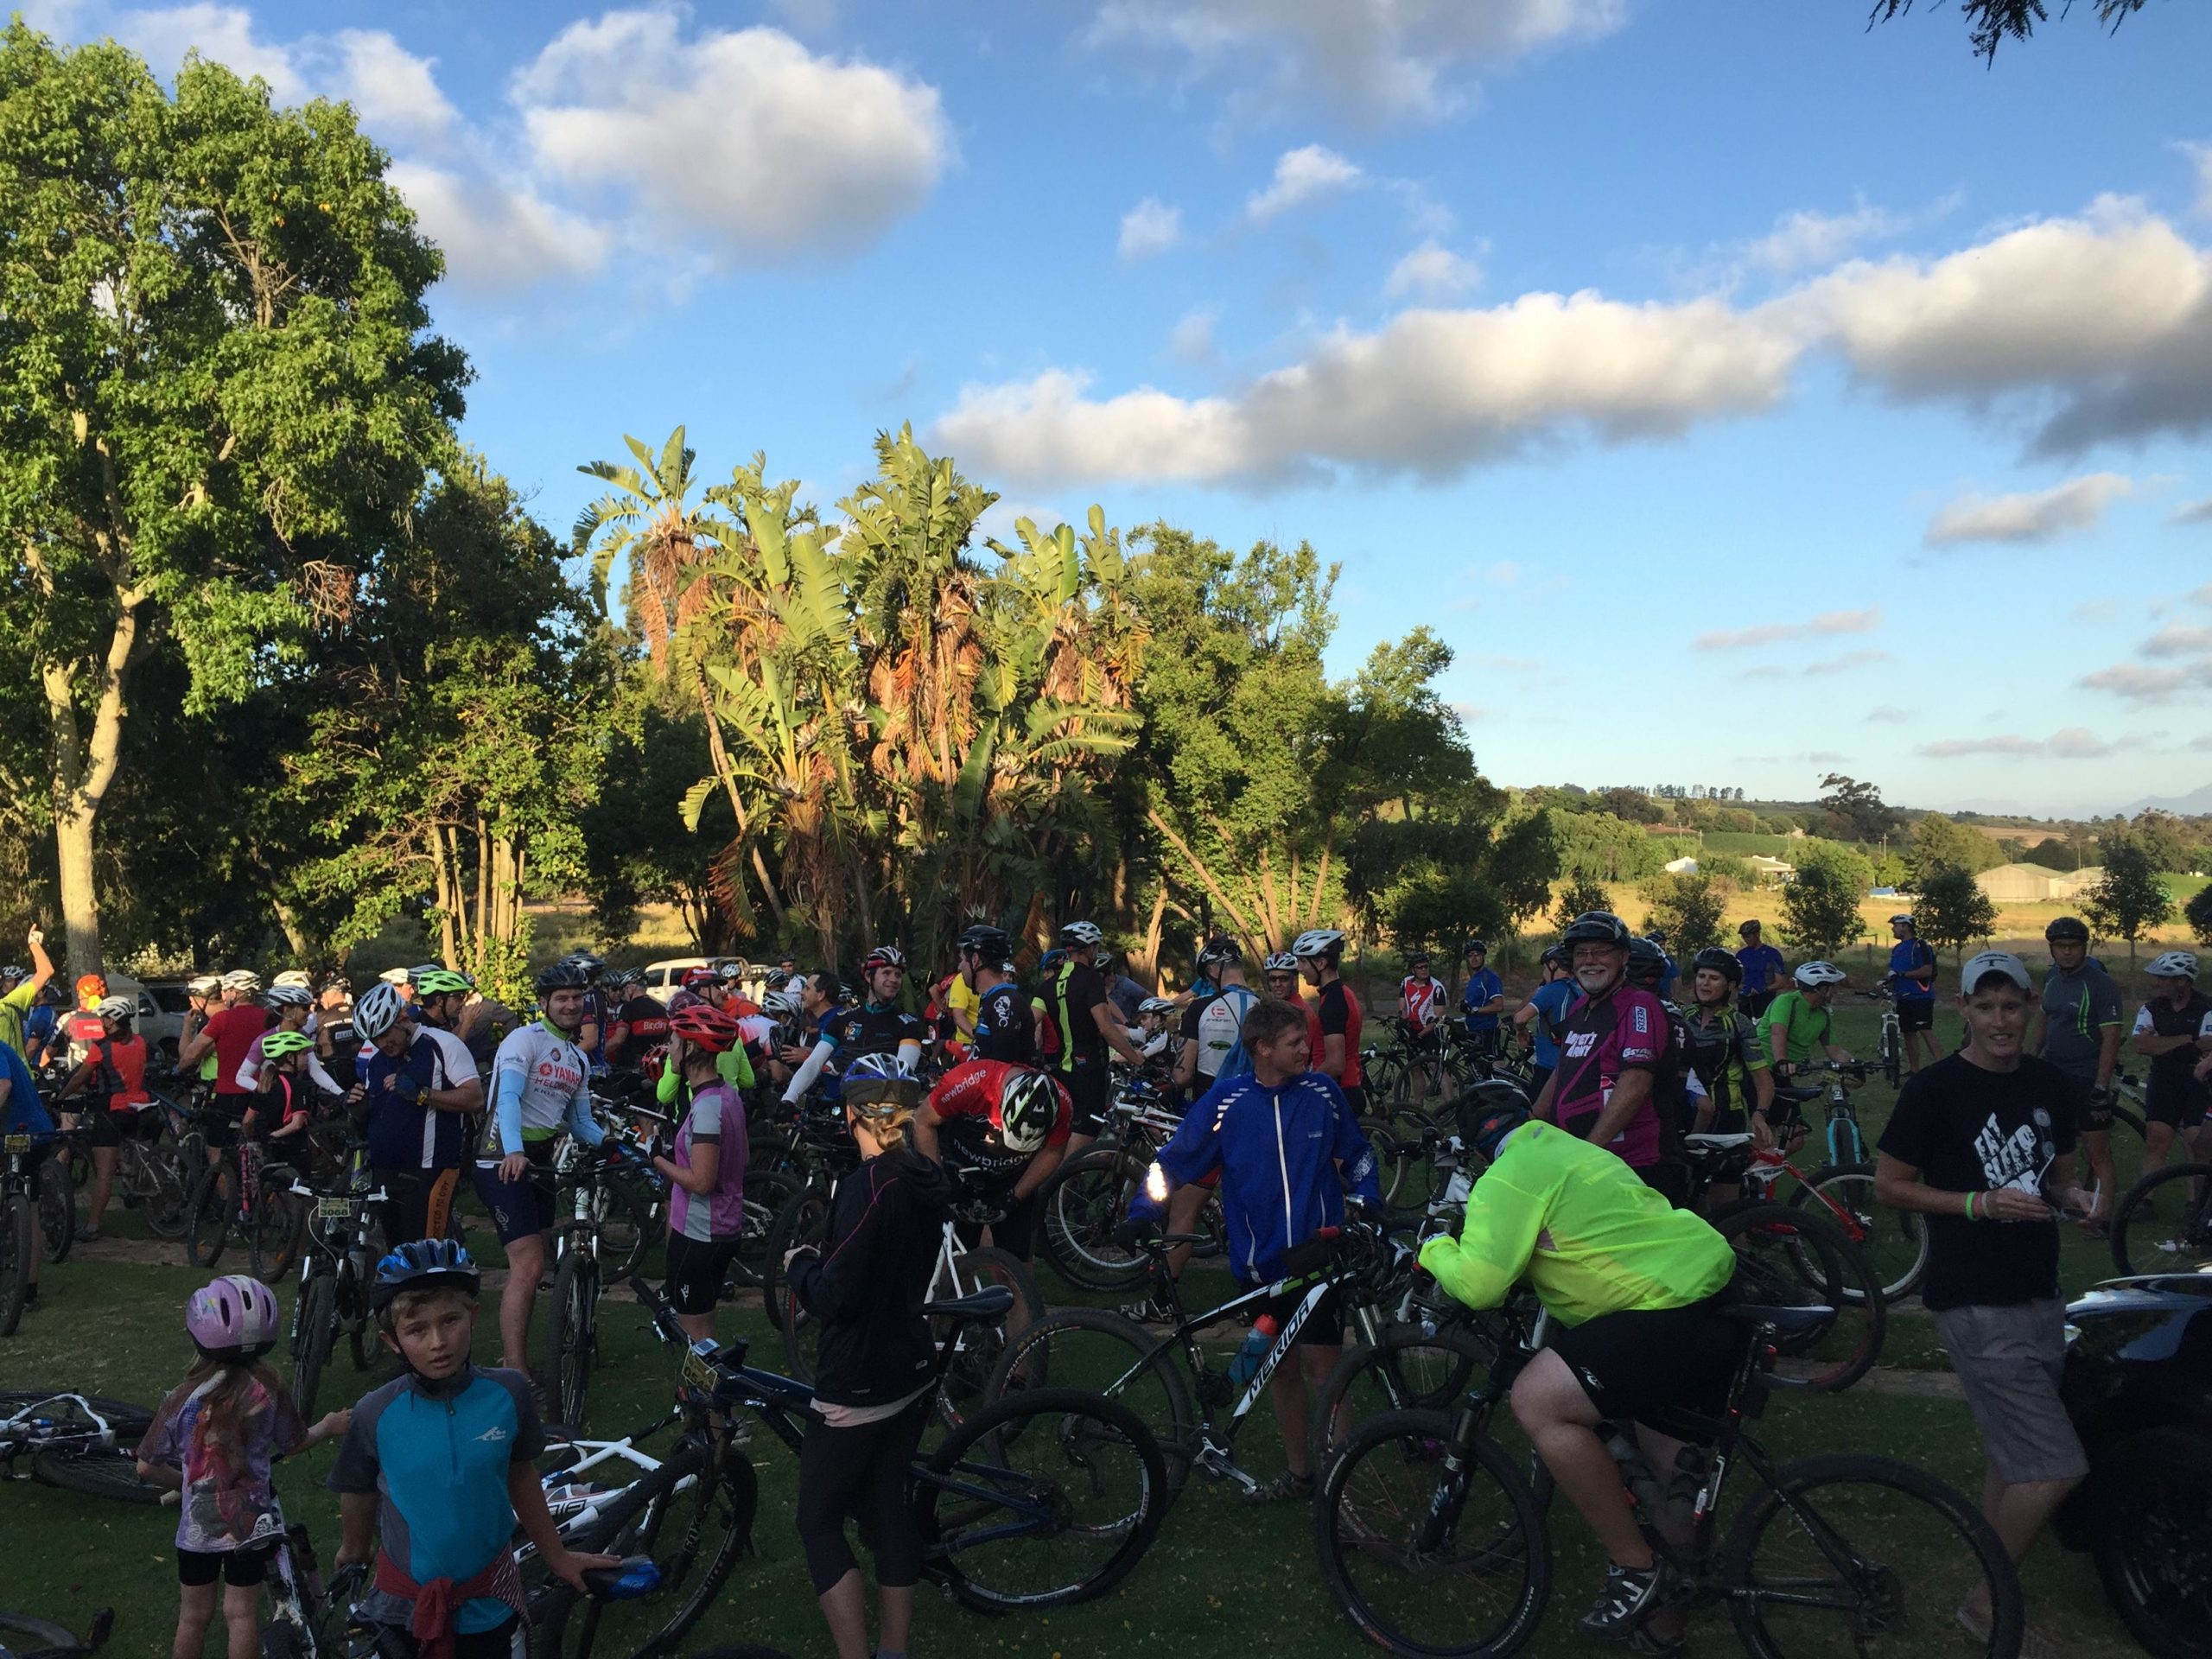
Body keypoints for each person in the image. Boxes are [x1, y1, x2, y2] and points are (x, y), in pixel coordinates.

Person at [1420, 1096, 1740, 1638]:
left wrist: (1433, 1249)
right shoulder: (1572, 1148)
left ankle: (1633, 1568)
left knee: (1536, 1400)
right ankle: (1668, 1628)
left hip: (1661, 1309)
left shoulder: (1506, 1177)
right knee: (1673, 1473)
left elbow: (1479, 1285)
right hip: (1712, 1284)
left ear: (1479, 1152)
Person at [1875, 951, 2090, 1652]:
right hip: (1972, 1297)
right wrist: (1976, 1203)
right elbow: (1889, 1184)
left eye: (2012, 1006)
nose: (2000, 1020)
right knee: (2054, 1464)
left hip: (2040, 1290)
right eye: (1986, 1006)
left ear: (2031, 1007)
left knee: (2012, 1452)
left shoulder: (2049, 1083)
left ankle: (1987, 1571)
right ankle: (1984, 1604)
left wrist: (2075, 1196)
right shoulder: (1933, 1090)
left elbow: (2056, 1177)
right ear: (1961, 1009)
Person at [1125, 996, 1381, 1503]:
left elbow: (1359, 1155)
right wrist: (1142, 1210)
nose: (1306, 1050)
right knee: (1279, 1371)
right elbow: (1170, 1163)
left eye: (1305, 1041)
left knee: (1325, 1372)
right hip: (1258, 1265)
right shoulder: (1226, 1101)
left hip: (1318, 1263)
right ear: (1262, 1049)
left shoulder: (1324, 1093)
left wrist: (1368, 1201)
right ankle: (1300, 1475)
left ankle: (1346, 1493)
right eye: (1294, 1044)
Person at [331, 1242, 614, 1657]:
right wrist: (352, 1551)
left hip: (489, 1599)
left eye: (450, 1321)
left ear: (474, 1317)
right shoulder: (375, 1413)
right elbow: (358, 1488)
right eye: (416, 1330)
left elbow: (521, 1475)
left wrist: (557, 1556)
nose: (438, 1342)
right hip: (403, 1606)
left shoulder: (508, 1393)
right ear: (392, 1341)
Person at [781, 1054, 953, 1659]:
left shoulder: (868, 1186)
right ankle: (894, 1650)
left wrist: (799, 1264)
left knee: (818, 1519)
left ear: (852, 1113)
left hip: (860, 1376)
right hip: (910, 1361)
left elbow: (833, 1297)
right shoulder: (926, 1176)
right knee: (885, 1509)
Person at [134, 1275, 348, 1659]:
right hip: (252, 1523)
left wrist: (185, 1483)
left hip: (198, 1528)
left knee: (193, 1617)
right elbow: (295, 1441)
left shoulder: (182, 1399)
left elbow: (146, 1468)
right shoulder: (268, 1389)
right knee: (241, 1614)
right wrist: (329, 1425)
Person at [476, 962, 603, 1377]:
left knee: (537, 1264)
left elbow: (581, 1123)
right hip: (501, 1155)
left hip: (542, 1159)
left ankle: (525, 1351)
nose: (571, 1005)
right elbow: (509, 1098)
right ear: (544, 1003)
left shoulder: (577, 1059)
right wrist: (513, 1151)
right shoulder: (522, 1039)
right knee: (527, 1265)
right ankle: (516, 1370)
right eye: (562, 998)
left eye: (577, 998)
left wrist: (617, 1146)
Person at [1535, 912, 1681, 1203]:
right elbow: (1563, 1071)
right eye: (1581, 953)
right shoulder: (1579, 1009)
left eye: (1601, 951)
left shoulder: (1639, 1005)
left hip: (1631, 1166)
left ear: (1624, 957)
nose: (1589, 960)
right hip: (1588, 1163)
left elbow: (1635, 1083)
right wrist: (1529, 1124)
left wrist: (1589, 1153)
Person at [349, 981, 482, 1248]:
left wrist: (423, 1094)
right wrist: (358, 1109)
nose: (381, 1043)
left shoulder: (442, 1045)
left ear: (402, 1017)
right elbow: (379, 1116)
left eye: (386, 1034)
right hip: (385, 1171)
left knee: (425, 1256)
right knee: (396, 1253)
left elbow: (475, 1098)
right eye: (374, 1038)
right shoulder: (376, 1061)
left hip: (429, 1172)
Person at [652, 1003, 751, 1342]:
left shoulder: (707, 1108)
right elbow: (744, 1157)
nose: (670, 1049)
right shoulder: (727, 1095)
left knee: (695, 1336)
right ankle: (706, 1393)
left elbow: (702, 1182)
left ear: (691, 1048)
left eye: (675, 1043)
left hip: (699, 1233)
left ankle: (697, 1394)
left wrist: (660, 1161)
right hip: (724, 1227)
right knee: (705, 1331)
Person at [914, 1056, 1071, 1265]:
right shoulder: (967, 1082)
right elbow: (923, 1121)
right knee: (954, 1265)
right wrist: (939, 1183)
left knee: (1016, 1269)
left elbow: (1052, 1152)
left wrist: (1015, 1198)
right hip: (959, 1171)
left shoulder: (1062, 1104)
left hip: (1013, 1178)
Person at [2027, 916, 2122, 1231]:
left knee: (2098, 1153)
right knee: (2055, 1146)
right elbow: (2044, 1023)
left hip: (2085, 1076)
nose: (2067, 952)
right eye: (2060, 947)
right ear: (2052, 949)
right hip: (2053, 1074)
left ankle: (2103, 1215)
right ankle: (2068, 1201)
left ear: (2084, 948)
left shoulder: (2100, 984)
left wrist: (2101, 1084)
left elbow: (2111, 1038)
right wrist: (2028, 1061)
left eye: (2073, 946)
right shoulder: (2052, 979)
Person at [1046, 922, 1147, 1154]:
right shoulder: (1091, 979)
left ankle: (1057, 1184)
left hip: (1061, 1068)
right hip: (1090, 1068)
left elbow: (1033, 1021)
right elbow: (1107, 1028)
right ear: (1089, 949)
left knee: (1063, 1130)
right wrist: (1135, 1058)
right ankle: (1066, 1186)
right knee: (1084, 1134)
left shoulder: (1051, 984)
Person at [781, 950, 925, 1109]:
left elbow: (903, 1073)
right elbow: (814, 1062)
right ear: (869, 977)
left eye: (898, 975)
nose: (893, 980)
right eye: (886, 973)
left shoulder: (908, 1023)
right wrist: (789, 1098)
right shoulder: (843, 1019)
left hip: (886, 1114)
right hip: (847, 1109)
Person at [63, 994, 154, 1241]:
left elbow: (79, 1078)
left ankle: (92, 1226)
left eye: (104, 1018)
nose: (101, 1022)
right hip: (141, 1106)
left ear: (112, 1021)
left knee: (104, 1172)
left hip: (112, 1110)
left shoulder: (101, 1048)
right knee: (131, 1151)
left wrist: (61, 1096)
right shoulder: (140, 1042)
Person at [2131, 950, 2212, 1175]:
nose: (2157, 983)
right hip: (2163, 1079)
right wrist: (2189, 1040)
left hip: (2199, 1081)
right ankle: (2144, 1202)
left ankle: (2194, 1205)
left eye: (2163, 978)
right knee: (2156, 1139)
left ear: (2182, 981)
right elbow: (2141, 1045)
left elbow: (2210, 1044)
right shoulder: (2151, 1008)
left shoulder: (2207, 1008)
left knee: (2195, 1144)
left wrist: (2161, 1042)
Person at [178, 972, 271, 1157]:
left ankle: (224, 1184)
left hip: (230, 1093)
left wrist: (178, 1069)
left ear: (234, 994)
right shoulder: (268, 1017)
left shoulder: (223, 1019)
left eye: (226, 992)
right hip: (263, 1090)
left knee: (216, 1150)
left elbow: (190, 1054)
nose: (223, 996)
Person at [0, 1033, 54, 1310]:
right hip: (35, 1132)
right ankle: (29, 1289)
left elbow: (3, 1086)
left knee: (26, 1208)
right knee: (28, 1208)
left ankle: (27, 1287)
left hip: (23, 1135)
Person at [1293, 927, 1366, 1115]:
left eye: (1303, 961)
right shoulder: (1343, 993)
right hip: (1347, 1086)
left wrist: (1304, 1083)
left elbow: (1335, 1063)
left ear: (1321, 963)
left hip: (1339, 1091)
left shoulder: (1333, 1002)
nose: (1299, 969)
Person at [1757, 960, 1856, 1078]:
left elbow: (1835, 1051)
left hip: (1787, 1071)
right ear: (1821, 989)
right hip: (1761, 1065)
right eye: (1833, 987)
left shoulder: (1822, 1014)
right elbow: (1778, 1033)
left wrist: (1854, 1065)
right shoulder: (1787, 1001)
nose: (1836, 991)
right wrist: (1782, 1060)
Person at [953, 925, 1030, 1065]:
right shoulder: (993, 999)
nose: (960, 967)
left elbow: (1000, 1067)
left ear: (975, 960)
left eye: (963, 960)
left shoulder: (1003, 1002)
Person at [1512, 946, 1577, 1102]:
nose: (1544, 973)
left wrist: (1521, 1030)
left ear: (1553, 965)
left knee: (1534, 1114)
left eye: (1545, 968)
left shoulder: (1550, 990)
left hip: (1548, 1066)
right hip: (1572, 1065)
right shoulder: (1578, 989)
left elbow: (1520, 1017)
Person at [1887, 912, 1941, 1074]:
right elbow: (1894, 970)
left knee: (1925, 1029)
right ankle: (1914, 1070)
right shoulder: (1897, 949)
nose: (1893, 929)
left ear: (1906, 926)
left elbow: (1927, 970)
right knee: (1908, 1033)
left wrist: (1903, 975)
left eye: (1896, 926)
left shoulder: (1920, 945)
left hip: (1920, 996)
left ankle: (1942, 1068)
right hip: (1902, 997)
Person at [0, 926, 56, 1058]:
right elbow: (46, 971)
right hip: (18, 1073)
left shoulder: (11, 1001)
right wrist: (34, 944)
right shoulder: (11, 1002)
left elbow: (46, 972)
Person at [1458, 938, 1505, 1059]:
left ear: (1483, 956)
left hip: (1487, 1029)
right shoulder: (1474, 978)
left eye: (1477, 955)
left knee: (1493, 1063)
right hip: (1473, 1029)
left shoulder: (1490, 978)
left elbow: (1499, 1006)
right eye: (1470, 955)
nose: (1473, 958)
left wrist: (1474, 1010)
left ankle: (1503, 1078)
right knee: (1478, 1066)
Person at [1733, 921, 1786, 1020]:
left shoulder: (1772, 954)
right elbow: (1735, 979)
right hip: (1745, 1000)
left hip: (1766, 999)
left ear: (1757, 934)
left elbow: (1781, 982)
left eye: (1748, 936)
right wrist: (1741, 988)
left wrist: (1763, 989)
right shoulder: (1741, 955)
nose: (1745, 940)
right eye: (1743, 937)